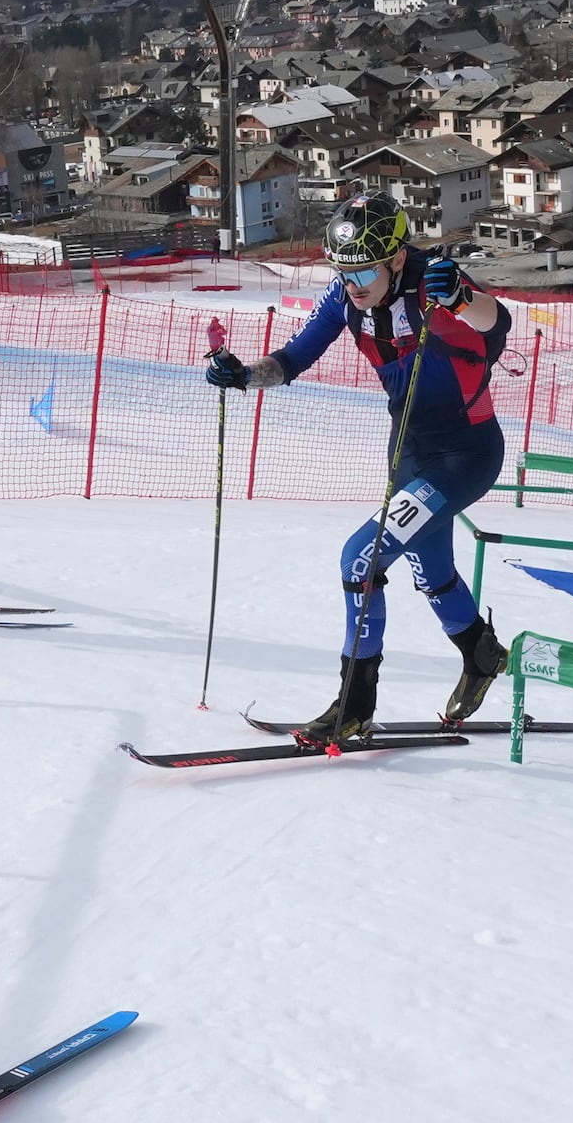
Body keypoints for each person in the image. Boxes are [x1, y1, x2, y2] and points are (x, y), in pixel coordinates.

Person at [207, 195, 512, 746]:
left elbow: (496, 321)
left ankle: (354, 704)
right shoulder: (348, 295)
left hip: (465, 454)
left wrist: (463, 298)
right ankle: (481, 653)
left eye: (365, 269)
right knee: (430, 568)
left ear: (397, 258)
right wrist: (244, 377)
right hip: (410, 453)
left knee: (361, 557)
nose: (352, 282)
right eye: (342, 271)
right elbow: (294, 357)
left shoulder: (433, 284)